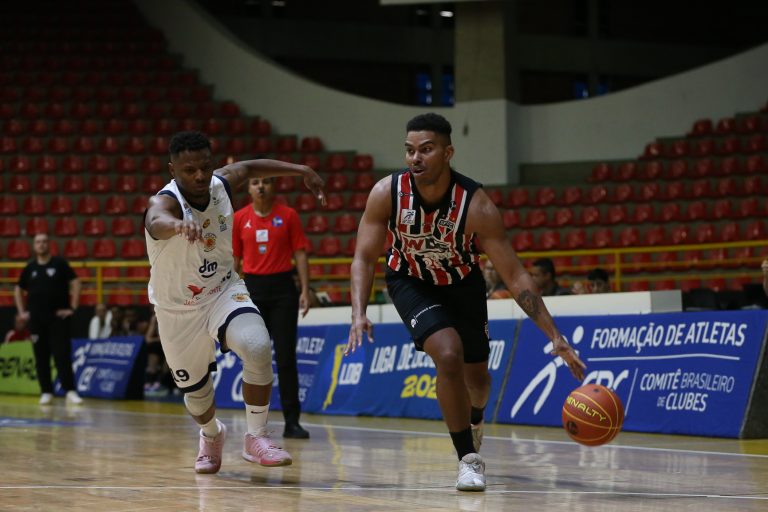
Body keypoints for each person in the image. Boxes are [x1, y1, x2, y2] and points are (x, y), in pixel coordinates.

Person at [345, 113, 585, 492]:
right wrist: (358, 313)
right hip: (411, 281)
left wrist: (554, 335)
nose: (415, 158)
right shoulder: (386, 194)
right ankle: (468, 459)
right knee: (448, 354)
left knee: (479, 382)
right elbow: (363, 257)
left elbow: (515, 276)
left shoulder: (476, 205)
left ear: (448, 152)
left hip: (462, 285)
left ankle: (475, 418)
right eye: (410, 150)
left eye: (426, 149)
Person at [143, 131, 325, 474]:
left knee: (257, 345)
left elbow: (252, 166)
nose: (200, 176)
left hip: (222, 291)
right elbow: (156, 220)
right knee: (197, 398)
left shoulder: (220, 184)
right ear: (173, 170)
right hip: (176, 309)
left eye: (205, 167)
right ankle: (211, 435)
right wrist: (178, 225)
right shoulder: (165, 202)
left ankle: (256, 437)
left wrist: (300, 169)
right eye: (189, 170)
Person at [233, 177, 312, 439]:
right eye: (255, 182)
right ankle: (257, 426)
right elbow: (234, 259)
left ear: (274, 186)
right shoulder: (239, 218)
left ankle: (292, 422)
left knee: (286, 358)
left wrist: (305, 289)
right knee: (255, 356)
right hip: (253, 289)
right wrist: (230, 294)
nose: (261, 186)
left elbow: (300, 252)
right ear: (248, 188)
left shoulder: (288, 215)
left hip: (283, 290)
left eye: (266, 182)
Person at [13, 233, 84, 405]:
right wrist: (22, 312)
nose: (41, 244)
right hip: (37, 320)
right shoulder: (30, 268)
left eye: (45, 241)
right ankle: (46, 391)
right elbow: (18, 289)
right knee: (41, 356)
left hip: (58, 318)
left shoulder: (60, 264)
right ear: (34, 246)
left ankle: (70, 391)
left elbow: (76, 282)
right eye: (38, 242)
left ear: (49, 244)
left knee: (62, 355)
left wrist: (73, 308)